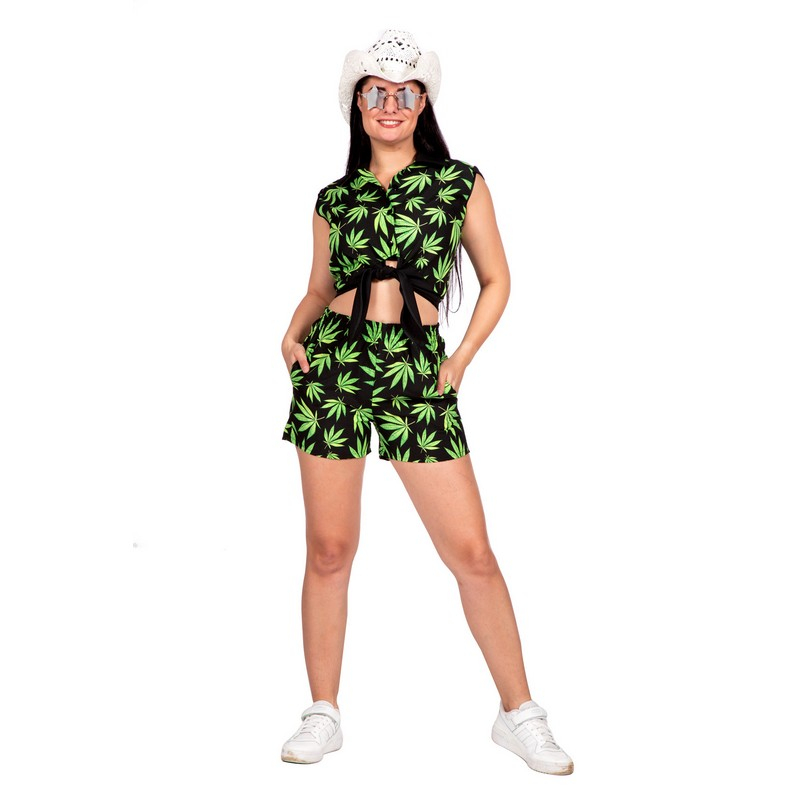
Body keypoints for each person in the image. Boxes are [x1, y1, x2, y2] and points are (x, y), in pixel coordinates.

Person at [279, 30, 573, 776]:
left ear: (424, 103)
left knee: (472, 552)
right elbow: (320, 287)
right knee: (329, 550)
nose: (391, 104)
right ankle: (322, 711)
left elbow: (498, 278)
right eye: (376, 91)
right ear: (356, 102)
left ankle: (519, 714)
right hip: (335, 367)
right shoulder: (333, 199)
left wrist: (460, 359)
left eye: (406, 92)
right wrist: (291, 334)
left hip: (417, 368)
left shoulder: (457, 184)